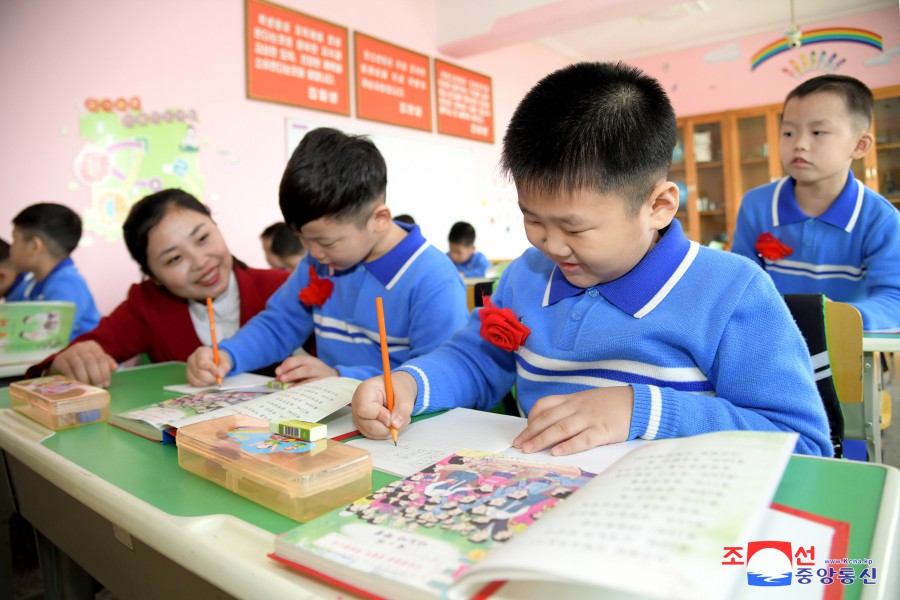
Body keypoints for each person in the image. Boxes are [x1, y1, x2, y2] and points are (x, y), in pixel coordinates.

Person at [352, 62, 832, 457]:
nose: (551, 245)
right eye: (532, 219)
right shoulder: (526, 275)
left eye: (575, 227)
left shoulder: (731, 292)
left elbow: (803, 445)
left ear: (658, 206)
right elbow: (478, 362)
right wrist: (413, 385)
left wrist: (638, 411)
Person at [186, 128, 468, 386]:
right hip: (334, 418)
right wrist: (227, 355)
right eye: (303, 240)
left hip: (404, 427)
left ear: (379, 219)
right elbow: (280, 323)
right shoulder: (321, 262)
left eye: (325, 241)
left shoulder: (431, 277)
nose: (313, 253)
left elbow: (440, 373)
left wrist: (340, 378)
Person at [26, 189, 289, 387]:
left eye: (202, 238)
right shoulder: (146, 305)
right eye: (174, 259)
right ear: (154, 276)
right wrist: (65, 365)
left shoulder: (280, 288)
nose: (200, 262)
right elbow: (70, 359)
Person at [732, 74, 900, 331]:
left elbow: (894, 301)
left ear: (859, 145)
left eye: (818, 132)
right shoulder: (756, 205)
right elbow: (740, 282)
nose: (799, 144)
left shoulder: (880, 219)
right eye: (788, 132)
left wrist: (837, 316)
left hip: (845, 349)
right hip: (771, 341)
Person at [7, 203, 101, 340]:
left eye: (15, 240)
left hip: (82, 360)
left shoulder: (68, 286)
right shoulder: (30, 284)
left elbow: (47, 340)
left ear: (34, 246)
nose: (11, 248)